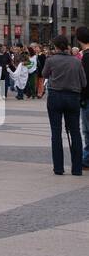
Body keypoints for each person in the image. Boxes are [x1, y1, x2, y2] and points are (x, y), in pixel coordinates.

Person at [43, 33, 85, 176]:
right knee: (75, 132)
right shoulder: (76, 61)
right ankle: (77, 168)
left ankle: (59, 168)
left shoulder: (51, 60)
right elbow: (84, 82)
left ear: (55, 47)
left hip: (55, 96)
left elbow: (45, 74)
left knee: (56, 132)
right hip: (73, 97)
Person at [76, 26, 89, 168]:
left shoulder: (85, 57)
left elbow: (85, 81)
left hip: (87, 99)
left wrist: (81, 98)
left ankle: (86, 159)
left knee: (87, 130)